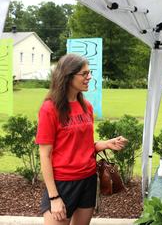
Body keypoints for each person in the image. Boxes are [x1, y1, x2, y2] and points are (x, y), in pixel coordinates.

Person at [35, 53, 128, 225]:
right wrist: (54, 197)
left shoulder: (87, 107)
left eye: (89, 72)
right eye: (84, 74)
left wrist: (106, 144)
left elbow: (83, 146)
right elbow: (45, 155)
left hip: (88, 180)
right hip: (63, 183)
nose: (89, 77)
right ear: (68, 75)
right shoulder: (50, 109)